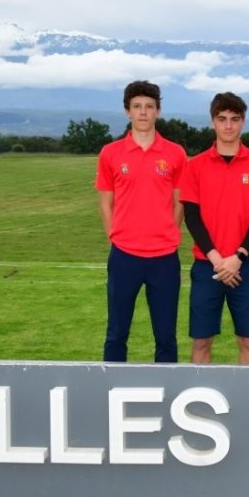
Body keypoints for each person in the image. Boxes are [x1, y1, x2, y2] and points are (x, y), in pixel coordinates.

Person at [179, 92, 249, 363]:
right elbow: (192, 217)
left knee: (247, 341)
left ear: (243, 122)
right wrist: (218, 260)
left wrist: (238, 257)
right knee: (201, 342)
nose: (229, 125)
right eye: (222, 119)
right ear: (213, 122)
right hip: (206, 264)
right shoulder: (195, 165)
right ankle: (198, 404)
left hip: (245, 265)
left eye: (235, 119)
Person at [95, 81, 187, 362]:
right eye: (137, 107)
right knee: (117, 333)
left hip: (164, 257)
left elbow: (179, 202)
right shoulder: (110, 153)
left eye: (149, 107)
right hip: (124, 256)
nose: (143, 113)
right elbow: (105, 202)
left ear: (158, 111)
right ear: (127, 112)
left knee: (166, 337)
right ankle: (109, 393)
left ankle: (169, 396)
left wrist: (165, 234)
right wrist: (117, 237)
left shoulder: (175, 153)